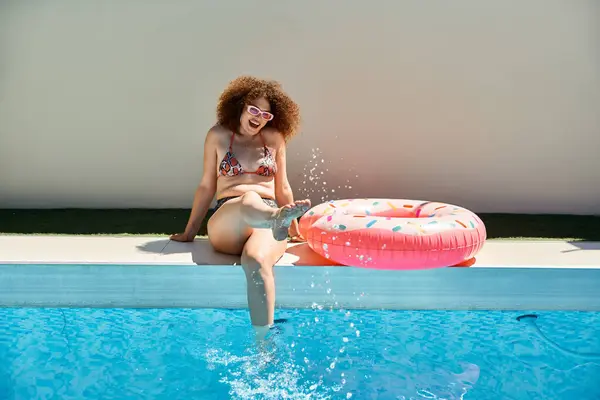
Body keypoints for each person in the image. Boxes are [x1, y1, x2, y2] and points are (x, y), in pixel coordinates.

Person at [170, 76, 311, 340]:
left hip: (267, 216)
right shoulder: (218, 135)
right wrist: (189, 232)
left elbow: (282, 188)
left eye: (266, 114)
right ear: (241, 106)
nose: (259, 118)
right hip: (229, 217)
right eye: (254, 110)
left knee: (256, 262)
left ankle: (264, 345)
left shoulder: (275, 138)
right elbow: (206, 187)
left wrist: (294, 230)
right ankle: (274, 218)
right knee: (248, 199)